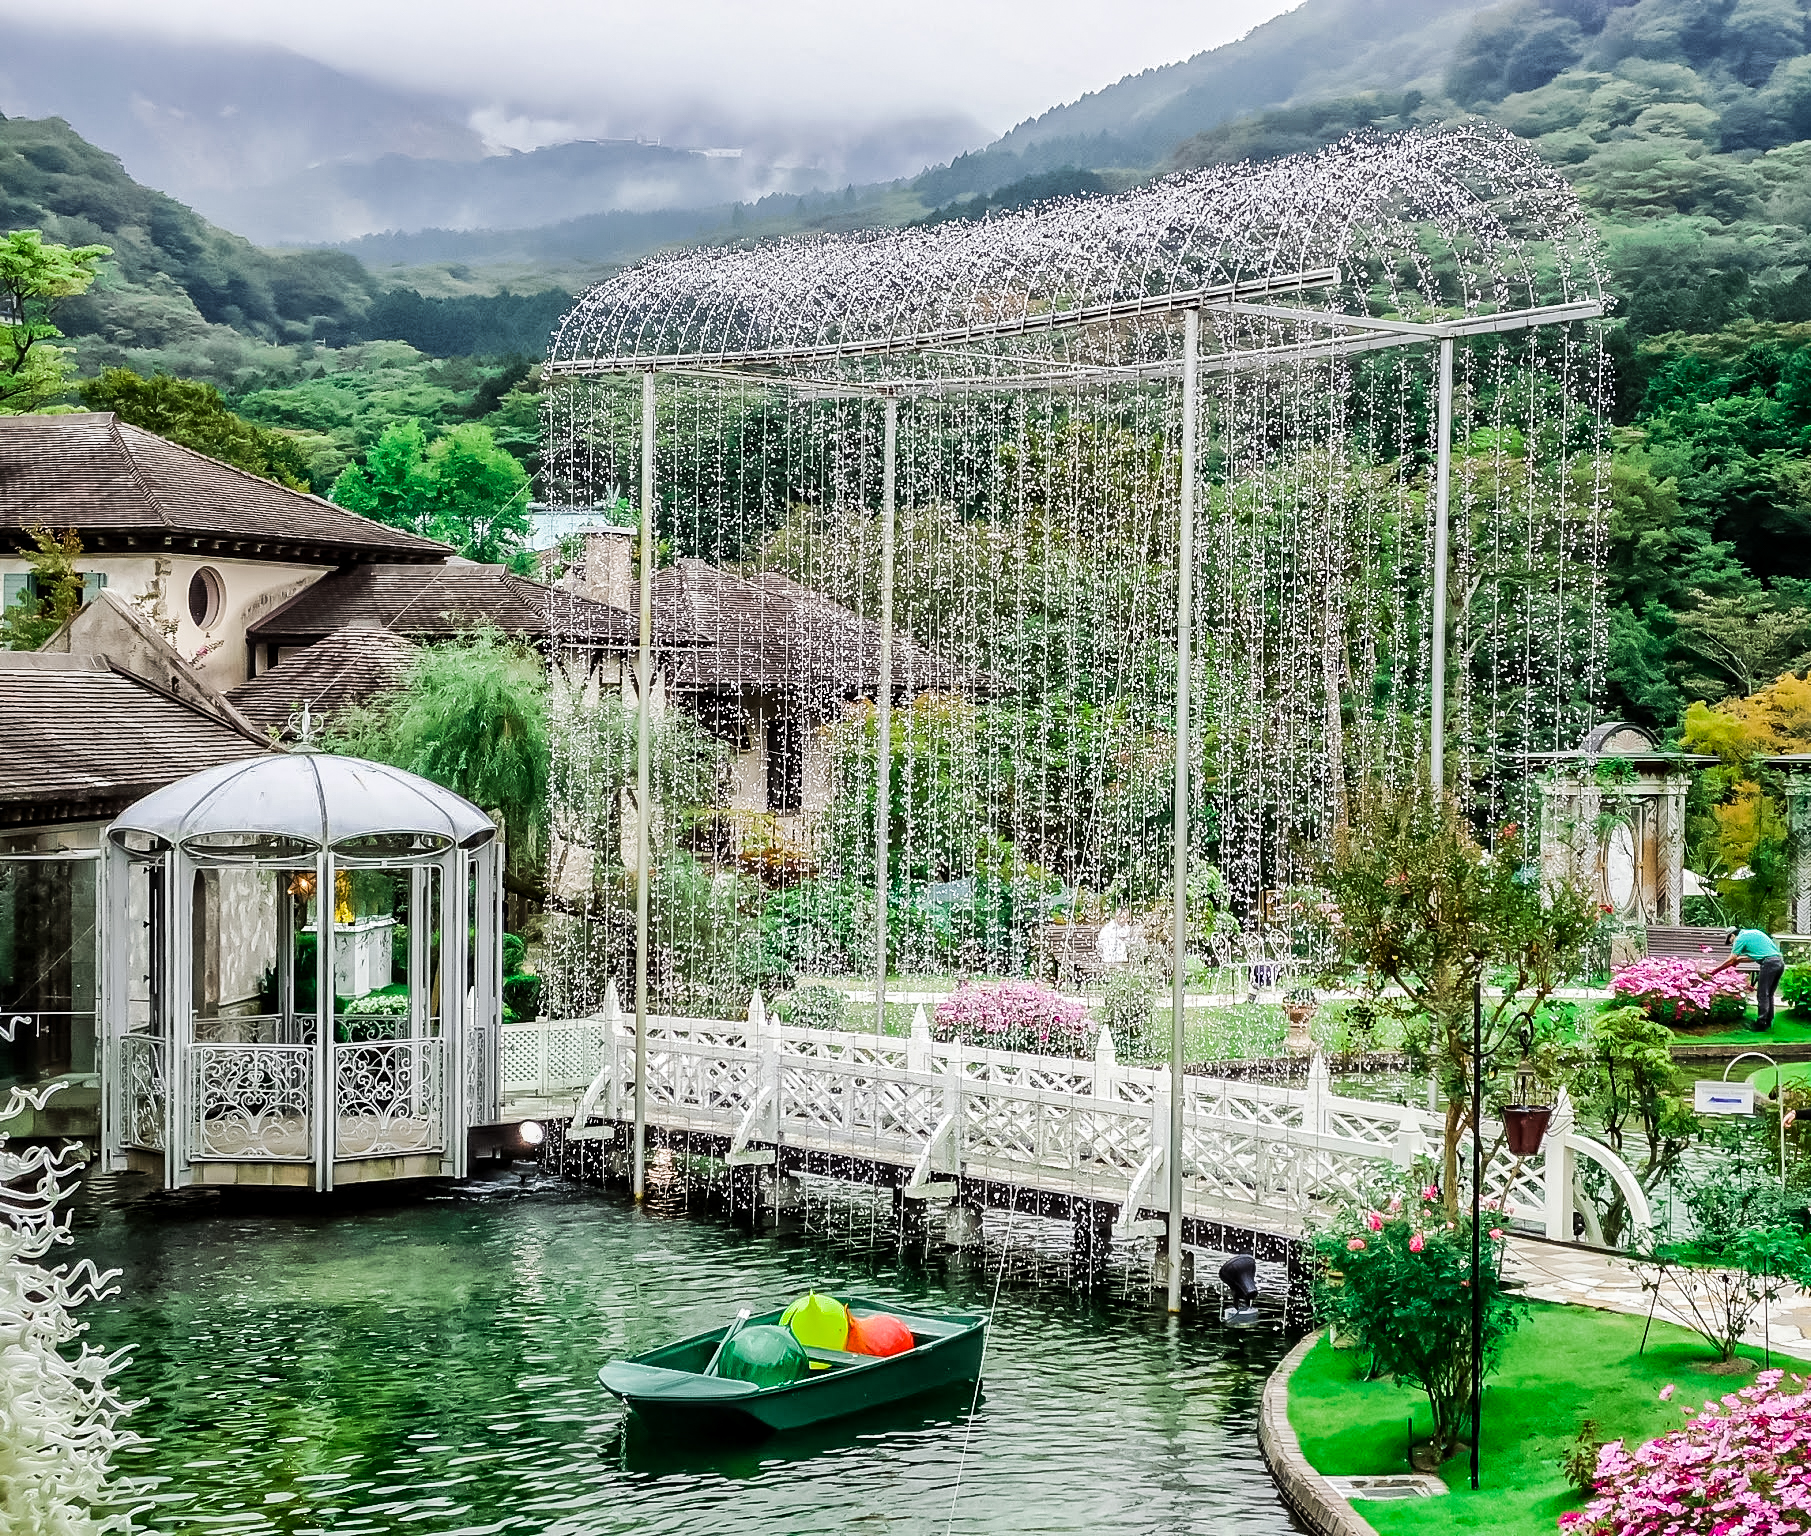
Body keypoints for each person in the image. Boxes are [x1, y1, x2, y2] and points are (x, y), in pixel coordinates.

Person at [1708, 927, 1786, 1031]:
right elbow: (1755, 956)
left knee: (1762, 994)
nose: (1731, 944)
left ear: (1732, 935)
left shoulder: (1740, 938)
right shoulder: (1753, 933)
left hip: (1769, 964)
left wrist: (1715, 970)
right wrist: (1739, 960)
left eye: (1730, 941)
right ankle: (1768, 1021)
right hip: (1779, 962)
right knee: (1769, 994)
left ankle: (1760, 1024)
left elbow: (1731, 959)